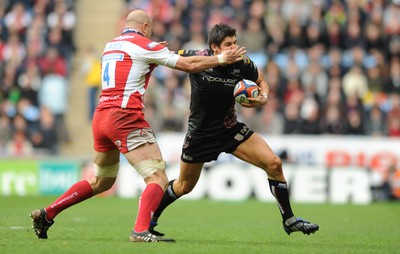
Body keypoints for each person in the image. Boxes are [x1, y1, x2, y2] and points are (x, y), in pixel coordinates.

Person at [30, 10, 246, 243]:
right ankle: (141, 230)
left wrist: (153, 52)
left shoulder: (110, 46)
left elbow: (133, 66)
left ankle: (48, 213)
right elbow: (189, 64)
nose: (151, 34)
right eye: (150, 30)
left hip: (101, 116)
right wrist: (222, 59)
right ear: (144, 26)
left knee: (101, 181)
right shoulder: (145, 45)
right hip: (125, 117)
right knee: (157, 178)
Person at [149, 23, 319, 238]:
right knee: (184, 186)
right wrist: (152, 49)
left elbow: (262, 80)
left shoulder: (242, 62)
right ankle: (150, 218)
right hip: (200, 134)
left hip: (230, 129)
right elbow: (165, 56)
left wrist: (263, 97)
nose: (234, 47)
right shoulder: (196, 56)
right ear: (215, 47)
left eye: (235, 43)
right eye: (228, 44)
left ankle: (290, 220)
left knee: (274, 163)